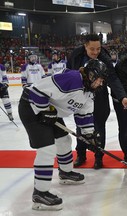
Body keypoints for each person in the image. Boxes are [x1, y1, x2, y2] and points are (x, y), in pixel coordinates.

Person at [18, 59, 108, 210]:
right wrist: (45, 110)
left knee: (64, 140)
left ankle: (65, 173)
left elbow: (84, 116)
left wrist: (89, 137)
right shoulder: (71, 79)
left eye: (102, 80)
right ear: (91, 75)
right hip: (32, 106)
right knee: (46, 149)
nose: (101, 83)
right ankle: (40, 193)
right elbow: (36, 91)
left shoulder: (89, 92)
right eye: (99, 79)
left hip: (51, 110)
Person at [67, 34, 127, 169]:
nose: (96, 52)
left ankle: (98, 157)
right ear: (85, 46)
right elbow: (68, 73)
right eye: (92, 49)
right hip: (81, 99)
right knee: (80, 128)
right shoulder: (76, 55)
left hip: (99, 100)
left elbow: (112, 78)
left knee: (99, 129)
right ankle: (81, 155)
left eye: (98, 48)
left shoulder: (104, 57)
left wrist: (122, 97)